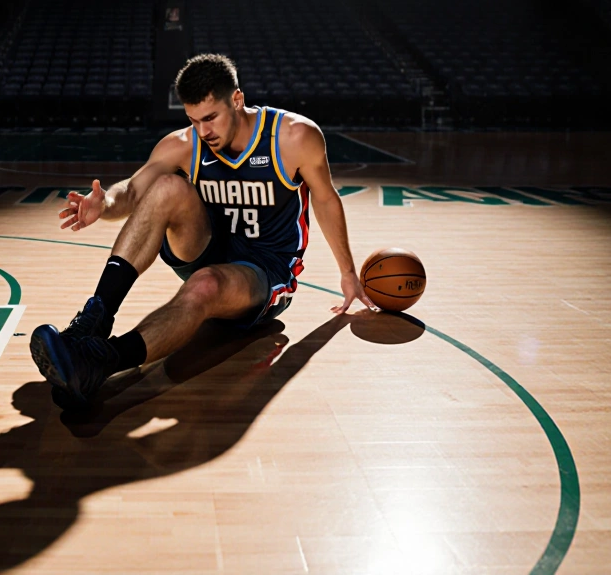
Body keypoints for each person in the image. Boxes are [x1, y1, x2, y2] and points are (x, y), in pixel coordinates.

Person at [30, 53, 376, 407]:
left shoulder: (293, 137)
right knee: (166, 187)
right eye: (194, 120)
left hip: (265, 270)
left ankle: (100, 362)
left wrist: (348, 273)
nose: (204, 131)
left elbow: (326, 199)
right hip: (208, 246)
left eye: (211, 118)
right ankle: (92, 321)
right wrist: (103, 205)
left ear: (237, 100)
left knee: (206, 283)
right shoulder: (184, 144)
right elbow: (133, 190)